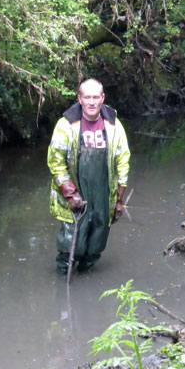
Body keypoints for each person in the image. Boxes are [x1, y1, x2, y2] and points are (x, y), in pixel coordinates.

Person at [47, 78, 130, 274]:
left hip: (103, 196)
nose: (92, 102)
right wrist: (70, 192)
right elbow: (55, 162)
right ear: (80, 99)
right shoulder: (66, 125)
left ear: (102, 98)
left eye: (95, 97)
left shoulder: (113, 125)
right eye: (87, 97)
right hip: (75, 196)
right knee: (72, 244)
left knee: (96, 242)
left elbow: (123, 161)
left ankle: (87, 275)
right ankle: (63, 276)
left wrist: (119, 199)